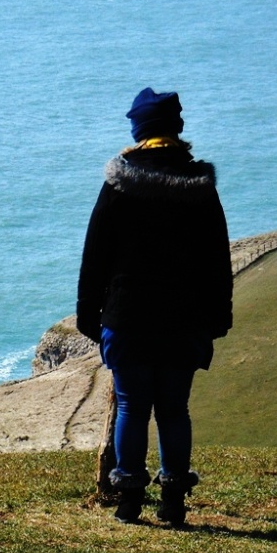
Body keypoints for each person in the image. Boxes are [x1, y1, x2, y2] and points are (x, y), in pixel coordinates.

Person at [76, 87, 233, 526]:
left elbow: (96, 256)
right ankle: (174, 503)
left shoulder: (118, 184)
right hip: (186, 319)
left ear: (138, 130)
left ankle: (128, 502)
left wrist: (90, 316)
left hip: (128, 317)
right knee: (173, 409)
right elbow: (217, 259)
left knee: (130, 406)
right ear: (177, 129)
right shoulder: (200, 187)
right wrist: (219, 318)